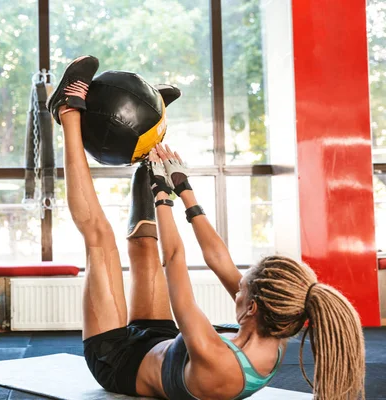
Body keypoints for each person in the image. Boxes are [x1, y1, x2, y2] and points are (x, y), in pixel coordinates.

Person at [46, 55, 366, 400]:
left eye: (243, 288)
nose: (238, 287)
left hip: (115, 360)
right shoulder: (274, 325)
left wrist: (163, 196)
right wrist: (184, 189)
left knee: (100, 238)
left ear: (253, 306)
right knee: (143, 248)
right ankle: (146, 142)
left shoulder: (214, 357)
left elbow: (175, 258)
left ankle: (66, 112)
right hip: (160, 341)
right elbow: (218, 258)